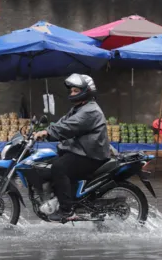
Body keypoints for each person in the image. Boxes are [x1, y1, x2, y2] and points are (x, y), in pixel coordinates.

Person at [33, 73, 110, 222]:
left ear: (86, 91)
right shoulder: (79, 108)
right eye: (71, 90)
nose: (72, 93)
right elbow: (63, 123)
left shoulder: (90, 111)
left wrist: (48, 133)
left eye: (76, 91)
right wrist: (44, 129)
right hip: (80, 151)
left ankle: (66, 211)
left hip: (91, 155)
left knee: (59, 167)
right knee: (47, 165)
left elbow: (68, 127)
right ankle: (58, 198)